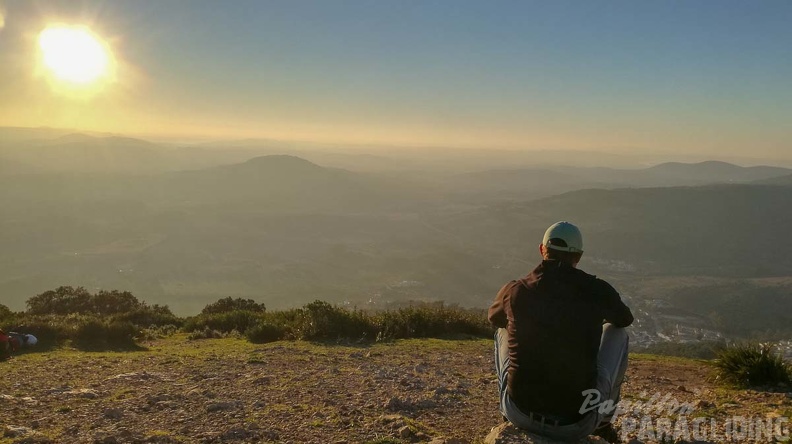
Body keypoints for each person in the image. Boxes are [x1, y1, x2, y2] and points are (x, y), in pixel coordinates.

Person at [488, 221, 633, 443]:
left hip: (519, 414)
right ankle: (603, 424)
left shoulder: (516, 289)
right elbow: (624, 319)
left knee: (502, 330)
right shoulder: (597, 290)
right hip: (577, 424)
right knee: (618, 333)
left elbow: (494, 318)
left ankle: (504, 413)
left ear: (541, 249)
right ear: (578, 256)